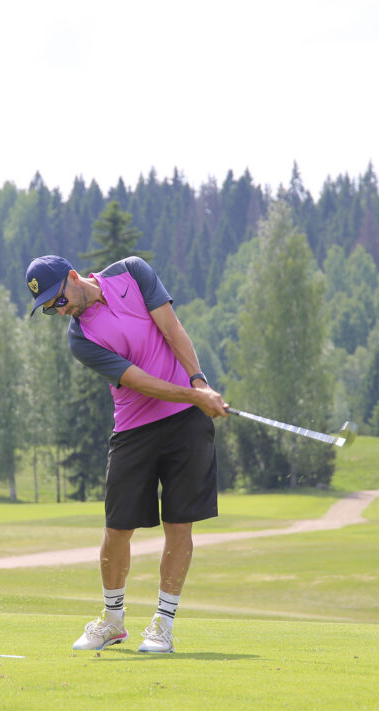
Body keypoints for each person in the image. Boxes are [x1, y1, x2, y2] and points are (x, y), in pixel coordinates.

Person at [26, 254, 228, 653]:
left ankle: (162, 625)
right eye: (49, 308)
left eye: (58, 299)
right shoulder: (79, 338)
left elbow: (171, 328)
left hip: (186, 422)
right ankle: (113, 620)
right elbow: (139, 382)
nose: (57, 309)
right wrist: (196, 395)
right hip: (134, 428)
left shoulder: (131, 272)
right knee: (117, 528)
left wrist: (199, 381)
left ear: (73, 277)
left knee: (179, 524)